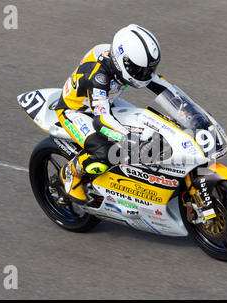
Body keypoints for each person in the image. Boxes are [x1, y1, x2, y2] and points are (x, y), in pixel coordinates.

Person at [55, 24, 176, 204]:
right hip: (76, 110)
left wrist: (189, 112)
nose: (146, 75)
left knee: (151, 124)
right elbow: (101, 121)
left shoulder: (122, 58)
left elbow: (162, 87)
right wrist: (130, 140)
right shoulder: (99, 76)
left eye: (150, 69)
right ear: (123, 63)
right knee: (105, 152)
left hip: (105, 102)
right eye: (141, 71)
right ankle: (71, 174)